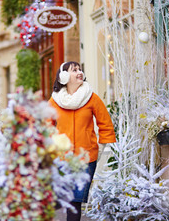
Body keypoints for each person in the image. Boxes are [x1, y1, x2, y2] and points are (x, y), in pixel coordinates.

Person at [49, 61, 116, 221]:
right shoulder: (55, 101)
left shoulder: (91, 98)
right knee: (61, 199)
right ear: (64, 76)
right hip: (61, 159)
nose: (79, 72)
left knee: (75, 201)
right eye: (74, 70)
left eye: (80, 69)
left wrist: (101, 146)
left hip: (86, 157)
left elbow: (105, 123)